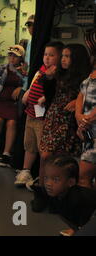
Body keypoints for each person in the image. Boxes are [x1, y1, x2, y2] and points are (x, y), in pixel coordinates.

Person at [37, 44, 91, 188]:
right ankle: (42, 189)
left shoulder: (85, 78)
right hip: (54, 116)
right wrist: (48, 78)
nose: (63, 60)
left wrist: (77, 100)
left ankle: (60, 192)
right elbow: (49, 95)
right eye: (63, 56)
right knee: (45, 155)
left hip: (69, 121)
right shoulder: (58, 73)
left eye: (68, 57)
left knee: (62, 160)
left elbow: (89, 97)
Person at [15, 42, 64, 187]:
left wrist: (45, 98)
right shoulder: (41, 70)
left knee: (42, 146)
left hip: (43, 118)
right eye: (45, 54)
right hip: (31, 113)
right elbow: (34, 82)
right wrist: (28, 92)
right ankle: (25, 171)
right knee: (29, 144)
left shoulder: (57, 74)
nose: (47, 58)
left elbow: (55, 93)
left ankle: (42, 178)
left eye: (51, 55)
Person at [30, 153, 96, 236]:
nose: (48, 183)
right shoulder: (54, 194)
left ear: (71, 182)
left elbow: (89, 224)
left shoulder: (78, 200)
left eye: (56, 179)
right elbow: (65, 217)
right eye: (46, 178)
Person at [0, 45, 26, 167]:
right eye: (10, 55)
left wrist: (20, 87)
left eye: (15, 56)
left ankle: (6, 153)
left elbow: (28, 85)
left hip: (12, 104)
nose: (12, 58)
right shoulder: (1, 69)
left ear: (21, 58)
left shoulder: (24, 72)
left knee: (11, 123)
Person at [75, 56, 96, 189]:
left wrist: (87, 119)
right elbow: (80, 96)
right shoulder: (89, 77)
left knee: (83, 175)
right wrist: (79, 117)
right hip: (88, 133)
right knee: (84, 178)